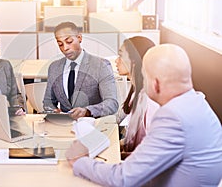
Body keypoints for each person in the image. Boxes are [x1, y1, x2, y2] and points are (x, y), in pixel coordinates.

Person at [65, 44, 222, 187]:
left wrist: (80, 162)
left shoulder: (173, 117)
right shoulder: (197, 104)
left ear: (155, 84)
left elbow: (122, 179)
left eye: (145, 77)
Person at [43, 22, 118, 119]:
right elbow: (48, 101)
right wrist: (53, 110)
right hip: (64, 128)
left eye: (69, 41)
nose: (65, 48)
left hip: (93, 126)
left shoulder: (100, 65)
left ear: (79, 38)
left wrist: (87, 111)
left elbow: (112, 103)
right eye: (60, 44)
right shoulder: (54, 68)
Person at [115, 36, 159, 158]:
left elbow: (153, 154)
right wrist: (114, 146)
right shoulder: (137, 93)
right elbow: (132, 139)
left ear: (134, 60)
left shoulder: (150, 102)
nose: (116, 61)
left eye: (120, 56)